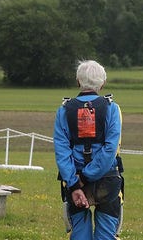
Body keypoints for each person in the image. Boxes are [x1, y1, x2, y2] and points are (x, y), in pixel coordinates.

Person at [53, 60, 124, 240]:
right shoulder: (112, 109)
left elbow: (62, 151)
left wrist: (76, 183)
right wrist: (86, 178)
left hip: (73, 179)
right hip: (106, 179)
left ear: (78, 81)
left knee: (79, 234)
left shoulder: (63, 111)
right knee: (106, 234)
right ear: (103, 83)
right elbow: (110, 150)